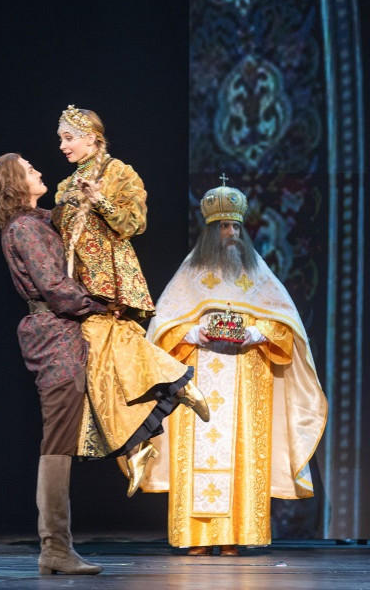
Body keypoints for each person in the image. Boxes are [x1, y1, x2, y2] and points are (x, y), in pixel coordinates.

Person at [140, 180, 328, 555]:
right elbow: (162, 330)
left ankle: (234, 537)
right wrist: (191, 332)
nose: (233, 234)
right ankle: (196, 538)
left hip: (247, 378)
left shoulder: (257, 274)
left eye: (237, 227)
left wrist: (257, 333)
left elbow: (287, 326)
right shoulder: (189, 274)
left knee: (244, 453)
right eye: (225, 226)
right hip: (198, 378)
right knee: (196, 453)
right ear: (211, 231)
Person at [54, 105, 209, 495]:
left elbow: (135, 223)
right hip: (80, 286)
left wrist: (101, 201)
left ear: (92, 138)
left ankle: (171, 392)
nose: (62, 146)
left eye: (68, 138)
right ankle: (144, 437)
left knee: (107, 356)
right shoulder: (64, 186)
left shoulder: (118, 172)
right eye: (61, 139)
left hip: (110, 282)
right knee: (106, 367)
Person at [0, 153, 106, 576]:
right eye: (31, 171)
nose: (40, 173)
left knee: (62, 437)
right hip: (56, 334)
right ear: (15, 182)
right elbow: (54, 286)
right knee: (59, 440)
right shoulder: (25, 228)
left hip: (60, 330)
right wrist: (100, 306)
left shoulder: (37, 221)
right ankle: (55, 547)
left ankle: (57, 547)